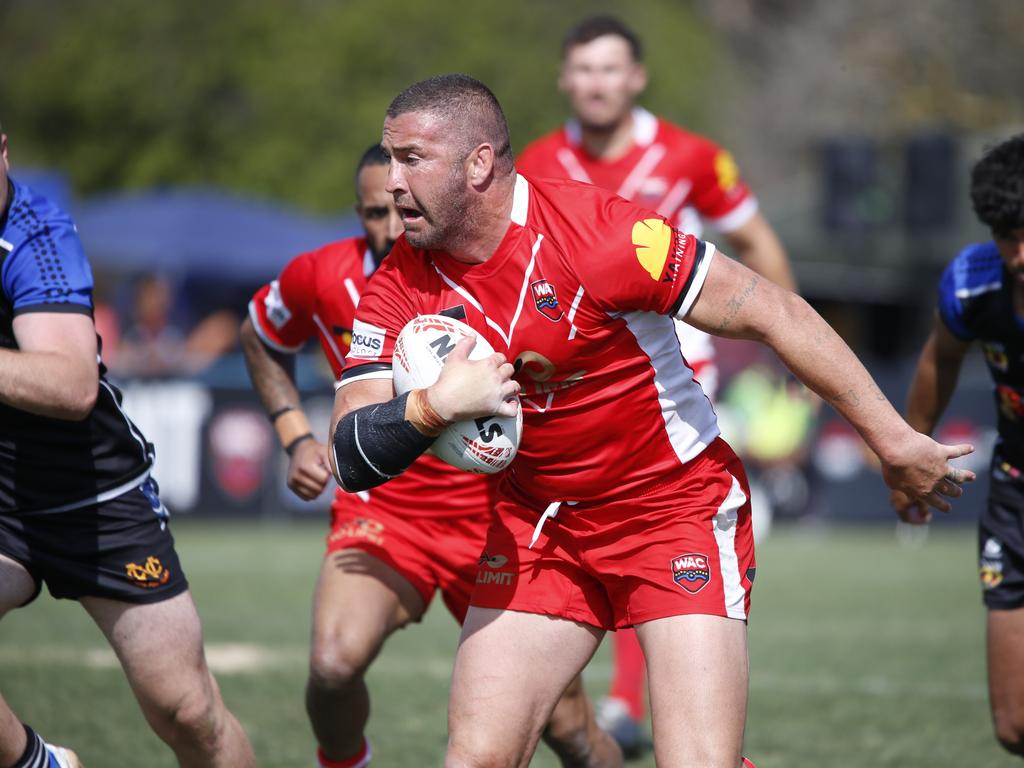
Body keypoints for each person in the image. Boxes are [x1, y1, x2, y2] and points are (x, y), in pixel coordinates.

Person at [329, 74, 974, 768]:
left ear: (479, 162)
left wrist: (894, 440)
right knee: (476, 759)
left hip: (672, 510)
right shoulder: (398, 280)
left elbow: (775, 312)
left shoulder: (604, 236)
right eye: (390, 159)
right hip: (540, 525)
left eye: (410, 159)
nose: (391, 182)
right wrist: (433, 407)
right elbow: (351, 451)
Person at [240, 144, 620, 768]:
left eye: (398, 208)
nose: (390, 227)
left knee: (569, 729)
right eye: (372, 212)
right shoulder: (321, 274)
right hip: (386, 517)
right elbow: (259, 332)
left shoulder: (480, 269)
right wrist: (294, 433)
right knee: (333, 664)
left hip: (495, 521)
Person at [517, 16, 798, 747]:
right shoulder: (540, 162)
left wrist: (790, 341)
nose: (595, 83)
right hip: (583, 380)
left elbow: (756, 240)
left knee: (656, 525)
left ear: (636, 77)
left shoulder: (693, 156)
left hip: (680, 376)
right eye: (582, 70)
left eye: (609, 69)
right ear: (563, 79)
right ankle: (630, 700)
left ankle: (631, 700)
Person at [0, 129, 255, 767]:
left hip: (93, 499)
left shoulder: (34, 234)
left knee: (187, 711)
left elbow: (71, 385)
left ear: (3, 150)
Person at [890, 134, 1024, 758]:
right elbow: (938, 361)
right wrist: (909, 459)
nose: (1019, 253)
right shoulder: (971, 282)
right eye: (1006, 233)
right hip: (1015, 496)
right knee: (1014, 726)